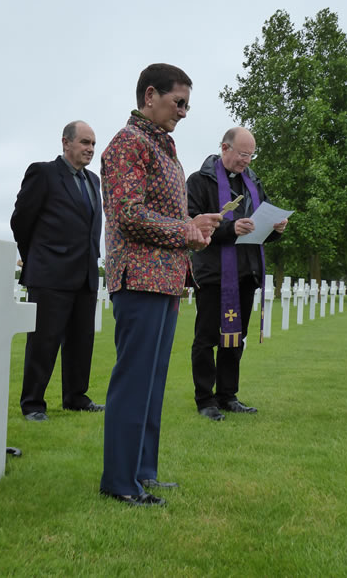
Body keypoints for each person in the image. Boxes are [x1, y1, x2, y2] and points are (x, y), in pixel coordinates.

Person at [100, 63, 222, 507]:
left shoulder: (164, 147)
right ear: (150, 95)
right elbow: (128, 214)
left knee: (152, 384)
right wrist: (183, 231)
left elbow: (165, 217)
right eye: (179, 102)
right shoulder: (126, 144)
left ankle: (142, 472)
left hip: (166, 278)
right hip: (139, 277)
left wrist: (193, 223)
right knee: (134, 381)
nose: (185, 112)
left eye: (188, 105)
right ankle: (119, 480)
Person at [187, 127, 288, 421]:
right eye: (242, 154)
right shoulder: (198, 181)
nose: (246, 161)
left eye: (250, 155)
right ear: (225, 147)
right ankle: (205, 399)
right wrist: (231, 229)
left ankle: (228, 394)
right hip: (213, 273)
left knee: (234, 338)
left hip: (246, 271)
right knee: (207, 338)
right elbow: (192, 225)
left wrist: (275, 229)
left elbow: (260, 228)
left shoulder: (253, 182)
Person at [11, 121, 105, 421]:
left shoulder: (93, 181)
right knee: (43, 341)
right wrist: (36, 257)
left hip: (86, 274)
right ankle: (33, 404)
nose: (90, 149)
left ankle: (76, 396)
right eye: (84, 142)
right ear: (66, 143)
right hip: (50, 275)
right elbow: (21, 221)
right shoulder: (44, 173)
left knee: (81, 340)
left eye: (93, 144)